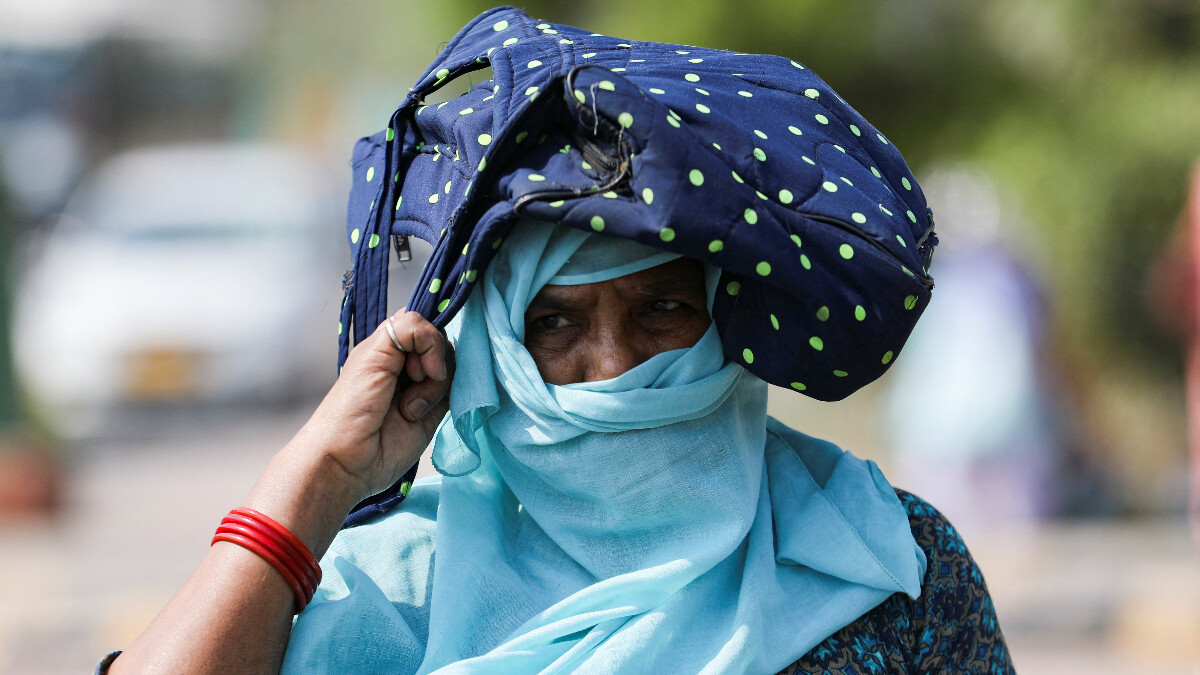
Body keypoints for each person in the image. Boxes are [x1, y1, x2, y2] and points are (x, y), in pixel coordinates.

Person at [102, 7, 1013, 674]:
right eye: (555, 323)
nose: (612, 366)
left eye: (662, 310)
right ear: (496, 348)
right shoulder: (390, 587)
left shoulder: (880, 560)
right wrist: (316, 476)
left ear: (723, 322)